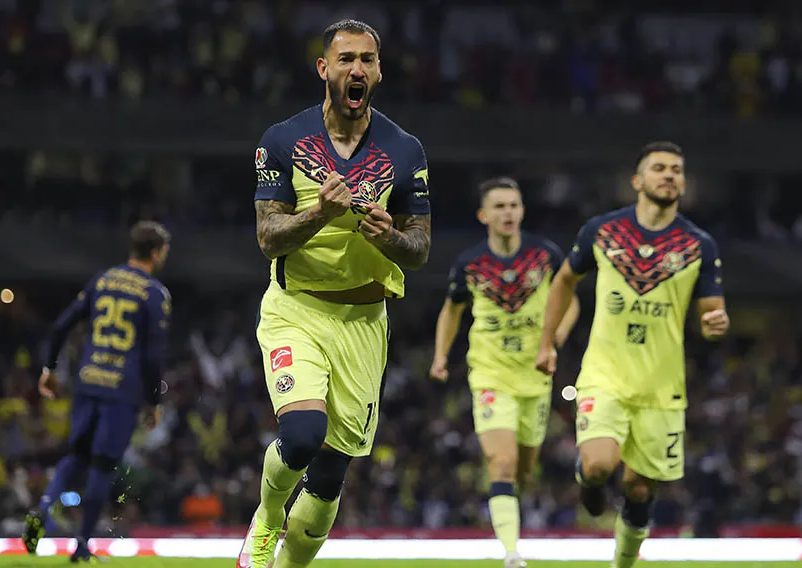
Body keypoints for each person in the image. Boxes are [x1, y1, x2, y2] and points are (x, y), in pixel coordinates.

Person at [241, 18, 431, 568]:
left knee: (328, 477)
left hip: (365, 324)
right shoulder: (283, 140)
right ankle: (266, 518)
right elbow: (267, 238)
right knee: (301, 435)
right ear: (324, 68)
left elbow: (419, 248)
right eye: (346, 59)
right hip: (296, 312)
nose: (357, 69)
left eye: (367, 60)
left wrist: (390, 235)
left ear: (378, 72)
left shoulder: (404, 150)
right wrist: (319, 213)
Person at [536, 142, 729, 568]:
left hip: (662, 388)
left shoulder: (699, 245)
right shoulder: (601, 232)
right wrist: (547, 341)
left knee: (641, 490)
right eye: (659, 168)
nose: (669, 175)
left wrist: (717, 324)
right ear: (637, 181)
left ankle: (622, 564)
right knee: (601, 464)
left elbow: (712, 314)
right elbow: (564, 281)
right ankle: (588, 482)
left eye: (676, 169)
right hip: (605, 376)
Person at [430, 177, 579, 568]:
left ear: (522, 210)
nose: (507, 212)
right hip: (491, 375)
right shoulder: (469, 263)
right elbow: (452, 310)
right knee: (502, 463)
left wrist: (555, 339)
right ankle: (512, 554)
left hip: (535, 377)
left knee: (525, 471)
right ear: (483, 215)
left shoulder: (545, 255)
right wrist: (440, 357)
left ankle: (510, 515)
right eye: (499, 206)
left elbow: (571, 301)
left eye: (513, 205)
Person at [22, 221, 172, 563]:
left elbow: (62, 325)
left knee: (75, 456)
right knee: (102, 466)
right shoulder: (154, 293)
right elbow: (151, 356)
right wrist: (154, 400)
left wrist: (48, 368)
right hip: (122, 389)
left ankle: (43, 508)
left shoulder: (103, 280)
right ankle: (82, 546)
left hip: (88, 379)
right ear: (155, 251)